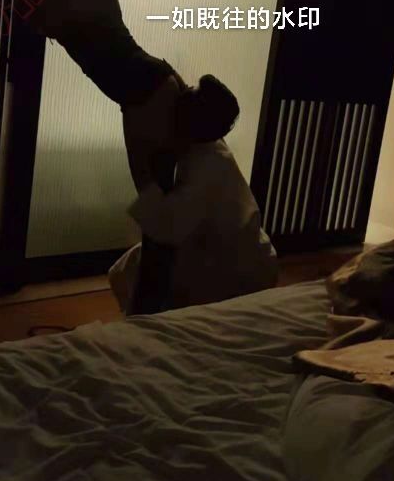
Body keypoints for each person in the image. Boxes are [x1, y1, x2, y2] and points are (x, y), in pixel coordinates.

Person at [18, 0, 251, 311]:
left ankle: (152, 304)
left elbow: (39, 18)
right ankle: (151, 306)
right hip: (150, 85)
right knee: (156, 210)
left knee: (156, 209)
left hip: (148, 89)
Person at [109, 75, 278, 314]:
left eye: (191, 90)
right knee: (128, 268)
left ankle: (143, 327)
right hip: (221, 246)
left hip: (236, 265)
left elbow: (165, 228)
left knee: (138, 274)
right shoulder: (208, 138)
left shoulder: (207, 166)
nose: (185, 90)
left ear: (194, 117)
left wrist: (139, 162)